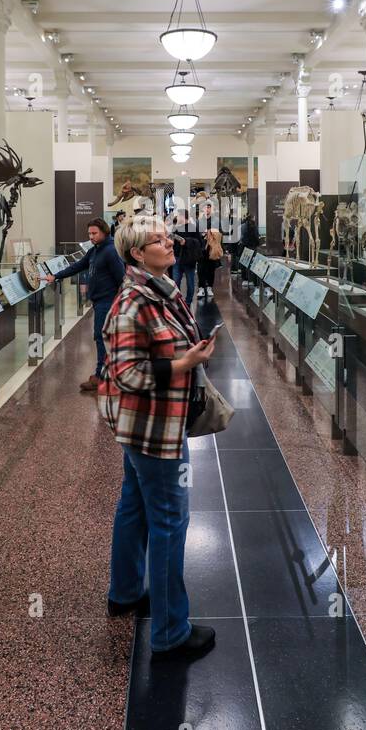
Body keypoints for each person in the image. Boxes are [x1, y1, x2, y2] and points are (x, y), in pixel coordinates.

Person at [100, 215, 217, 661]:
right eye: (158, 240)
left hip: (147, 426)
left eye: (168, 237)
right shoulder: (133, 303)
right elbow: (128, 373)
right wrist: (184, 366)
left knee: (134, 505)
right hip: (152, 429)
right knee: (170, 520)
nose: (170, 244)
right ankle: (170, 632)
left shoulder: (157, 290)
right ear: (136, 254)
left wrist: (191, 352)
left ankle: (126, 591)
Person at [43, 217, 124, 392]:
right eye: (89, 234)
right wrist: (56, 275)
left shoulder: (110, 251)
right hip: (99, 301)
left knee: (101, 337)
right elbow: (79, 265)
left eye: (94, 233)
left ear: (104, 232)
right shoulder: (95, 250)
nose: (91, 237)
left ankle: (101, 376)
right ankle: (106, 374)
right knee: (101, 337)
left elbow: (122, 279)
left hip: (107, 302)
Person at [171, 212, 203, 305]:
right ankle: (178, 301)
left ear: (184, 217)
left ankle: (188, 301)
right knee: (176, 281)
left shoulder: (192, 228)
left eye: (179, 216)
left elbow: (199, 243)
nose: (178, 218)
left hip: (189, 258)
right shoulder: (175, 228)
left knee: (190, 282)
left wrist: (186, 241)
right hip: (177, 257)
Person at [198, 222, 224, 301]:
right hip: (202, 256)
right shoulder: (202, 233)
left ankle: (209, 287)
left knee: (210, 271)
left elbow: (219, 240)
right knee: (201, 271)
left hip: (211, 256)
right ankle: (201, 287)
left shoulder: (215, 231)